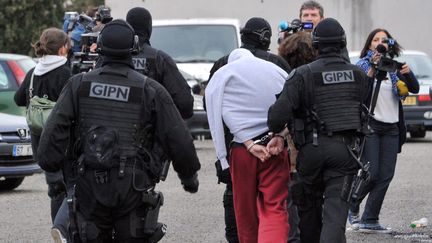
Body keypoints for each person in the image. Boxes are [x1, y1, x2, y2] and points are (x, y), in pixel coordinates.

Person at [37, 19, 201, 242]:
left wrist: (55, 168)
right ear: (133, 48)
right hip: (133, 189)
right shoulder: (151, 90)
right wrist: (189, 177)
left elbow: (52, 135)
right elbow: (178, 137)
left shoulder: (78, 84)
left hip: (88, 186)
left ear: (100, 47)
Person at [267, 18, 370, 243]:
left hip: (310, 151)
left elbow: (276, 119)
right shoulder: (360, 76)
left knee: (308, 210)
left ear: (316, 45)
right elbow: (364, 110)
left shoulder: (301, 75)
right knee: (335, 213)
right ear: (343, 42)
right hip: (345, 153)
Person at [206, 17, 291, 243]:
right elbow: (292, 100)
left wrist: (230, 147)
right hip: (274, 145)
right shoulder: (276, 64)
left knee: (241, 207)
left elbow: (211, 106)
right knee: (274, 206)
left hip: (239, 151)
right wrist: (281, 136)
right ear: (266, 37)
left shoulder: (222, 66)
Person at [348, 28, 419, 233]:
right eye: (376, 39)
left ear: (390, 44)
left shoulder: (394, 68)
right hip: (371, 125)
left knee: (386, 174)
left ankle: (370, 219)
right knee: (372, 172)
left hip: (392, 127)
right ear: (370, 44)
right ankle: (353, 202)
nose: (380, 42)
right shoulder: (363, 65)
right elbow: (361, 92)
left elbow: (413, 88)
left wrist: (407, 72)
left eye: (384, 40)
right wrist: (373, 68)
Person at [14, 27, 71, 224]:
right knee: (70, 189)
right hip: (65, 142)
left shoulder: (33, 72)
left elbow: (19, 99)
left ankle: (58, 230)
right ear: (63, 49)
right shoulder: (66, 72)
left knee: (55, 189)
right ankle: (69, 229)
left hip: (41, 143)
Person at [278, 31, 318, 243]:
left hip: (293, 148)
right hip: (319, 147)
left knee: (293, 196)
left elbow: (278, 115)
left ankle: (293, 237)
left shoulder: (287, 79)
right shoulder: (317, 76)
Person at [126, 7, 194, 119]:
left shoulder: (107, 58)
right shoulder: (159, 59)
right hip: (150, 131)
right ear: (149, 28)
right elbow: (185, 104)